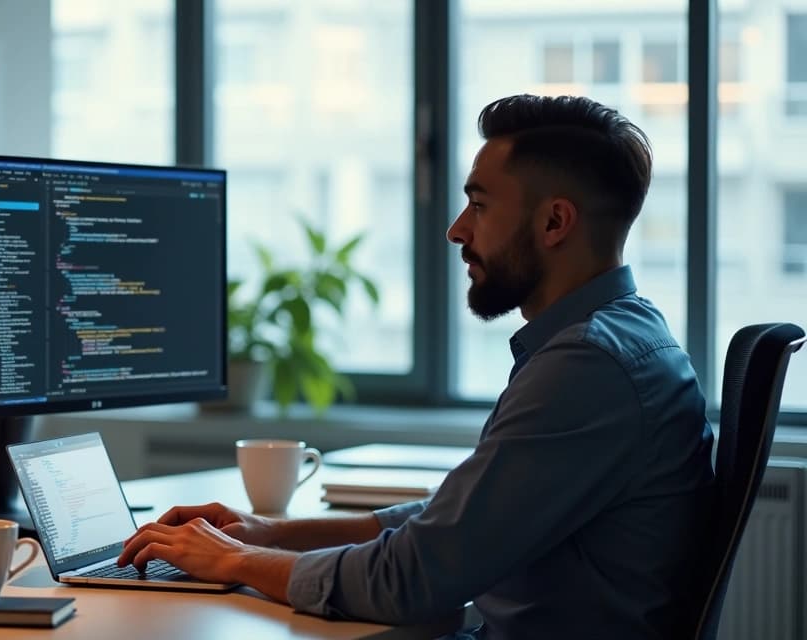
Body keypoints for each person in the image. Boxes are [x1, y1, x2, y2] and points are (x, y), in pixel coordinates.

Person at [117, 94, 716, 638]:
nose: (457, 231)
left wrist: (235, 561)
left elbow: (413, 579)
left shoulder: (589, 367)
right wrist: (266, 533)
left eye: (479, 205)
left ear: (555, 222)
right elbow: (455, 524)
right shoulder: (622, 336)